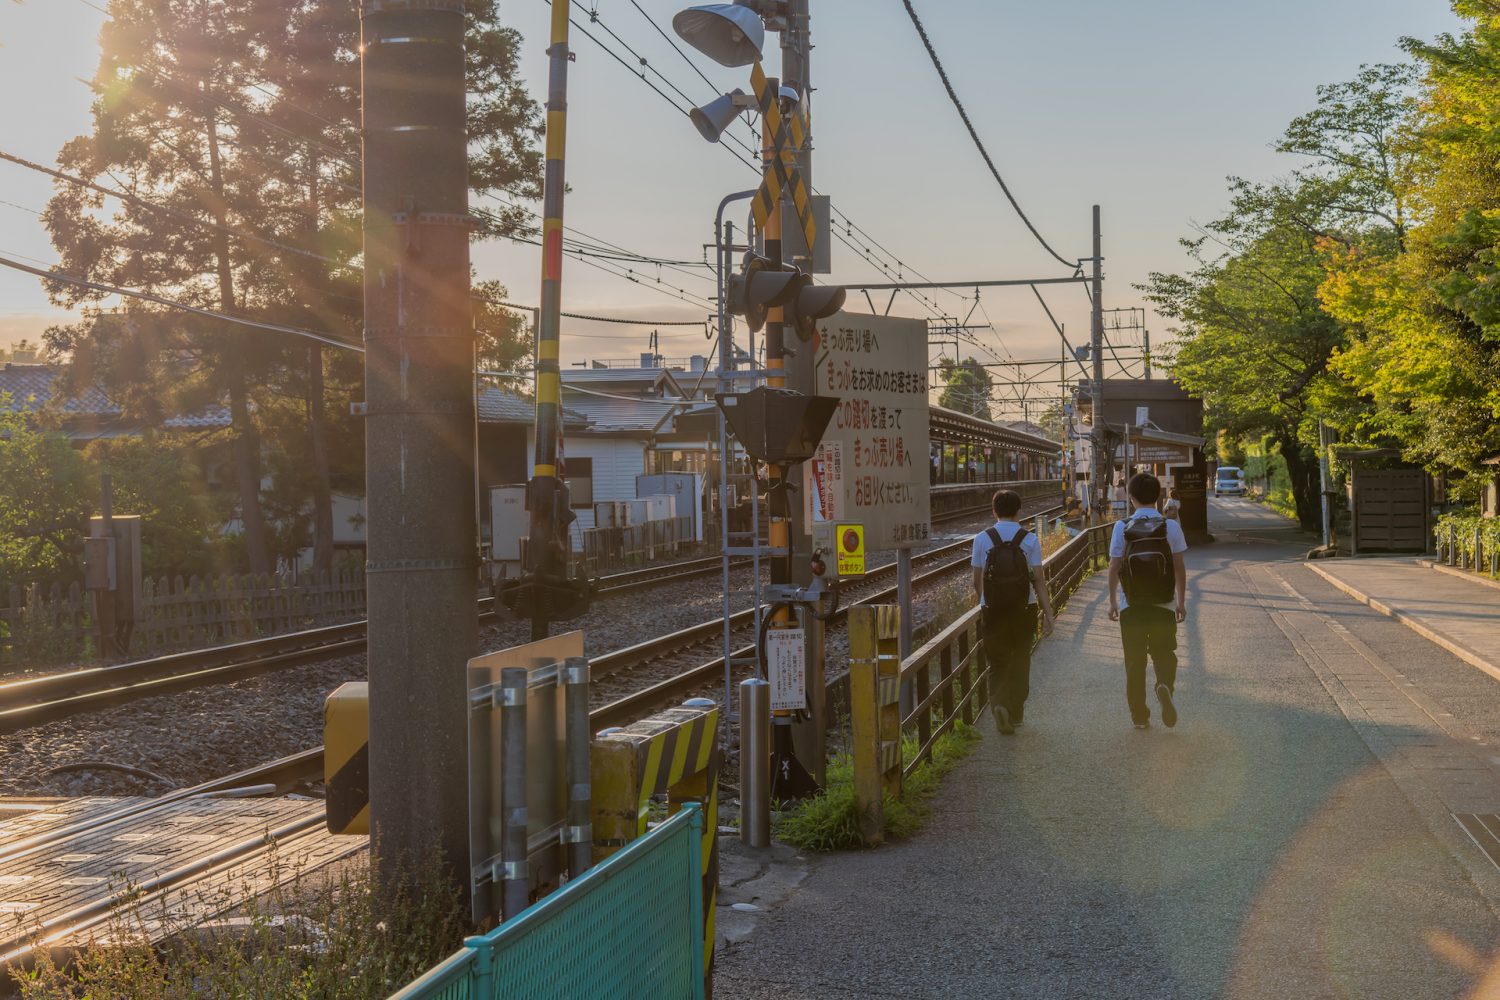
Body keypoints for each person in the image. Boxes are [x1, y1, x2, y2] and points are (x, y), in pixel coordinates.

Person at [1107, 472, 1188, 729]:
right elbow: (1179, 567)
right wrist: (1180, 602)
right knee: (1165, 653)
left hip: (1132, 605)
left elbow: (1114, 567)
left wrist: (1113, 602)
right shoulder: (1170, 526)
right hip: (1163, 604)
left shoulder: (1122, 527)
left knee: (1134, 661)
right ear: (1158, 496)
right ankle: (1163, 684)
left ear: (1131, 497)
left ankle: (1140, 717)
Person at [972, 489, 1056, 735]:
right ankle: (1016, 712)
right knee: (1020, 659)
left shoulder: (981, 538)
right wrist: (1048, 614)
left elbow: (976, 581)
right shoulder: (1028, 539)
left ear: (994, 511)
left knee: (997, 662)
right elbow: (1039, 580)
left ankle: (999, 704)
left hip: (993, 610)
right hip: (1024, 609)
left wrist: (985, 602)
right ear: (1020, 512)